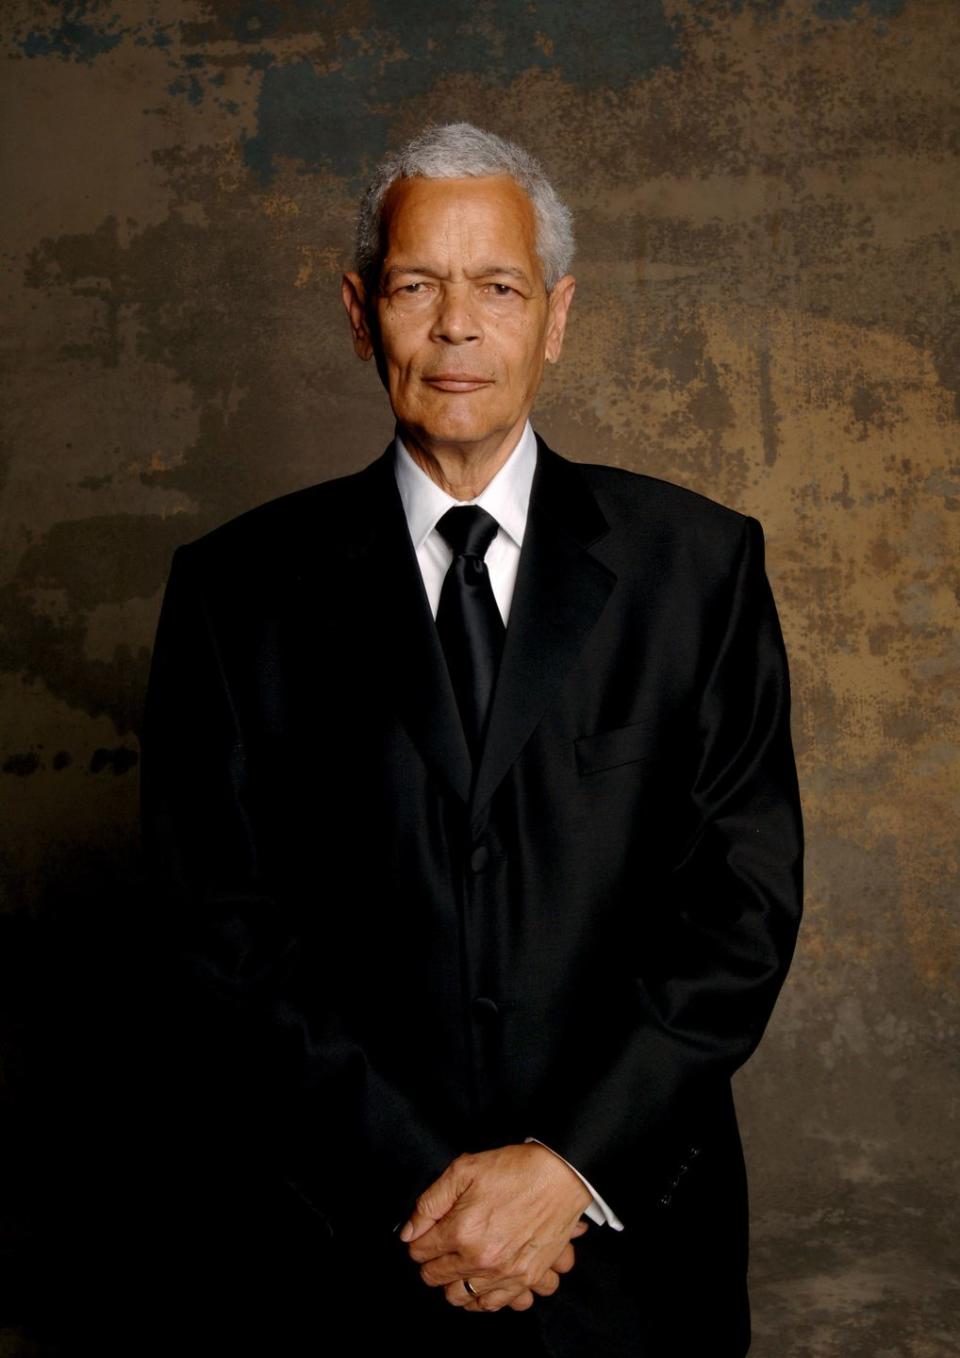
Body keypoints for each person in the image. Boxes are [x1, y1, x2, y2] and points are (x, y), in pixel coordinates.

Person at [140, 123, 803, 1357]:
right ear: (357, 312)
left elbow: (740, 915)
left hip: (625, 1256)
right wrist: (426, 1189)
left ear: (555, 316)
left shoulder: (698, 571)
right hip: (338, 1261)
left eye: (496, 286)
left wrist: (563, 1170)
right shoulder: (237, 594)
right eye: (414, 284)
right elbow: (219, 935)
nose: (458, 326)